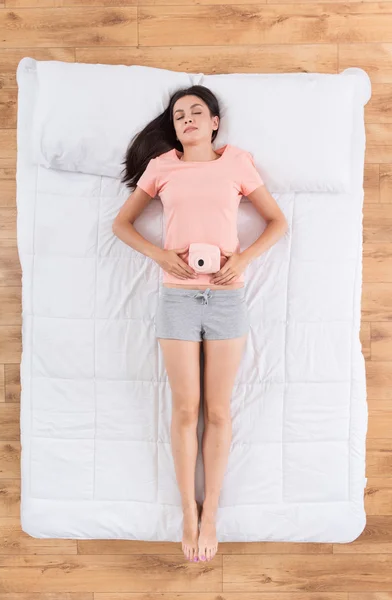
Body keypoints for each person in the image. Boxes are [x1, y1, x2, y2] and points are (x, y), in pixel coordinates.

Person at [112, 85, 288, 564]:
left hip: (228, 298)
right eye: (178, 115)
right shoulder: (162, 167)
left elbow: (277, 221)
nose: (186, 119)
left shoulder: (236, 163)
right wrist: (162, 256)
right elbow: (122, 225)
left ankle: (211, 513)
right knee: (186, 410)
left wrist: (243, 259)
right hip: (177, 299)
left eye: (196, 112)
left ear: (214, 122)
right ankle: (187, 512)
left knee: (219, 411)